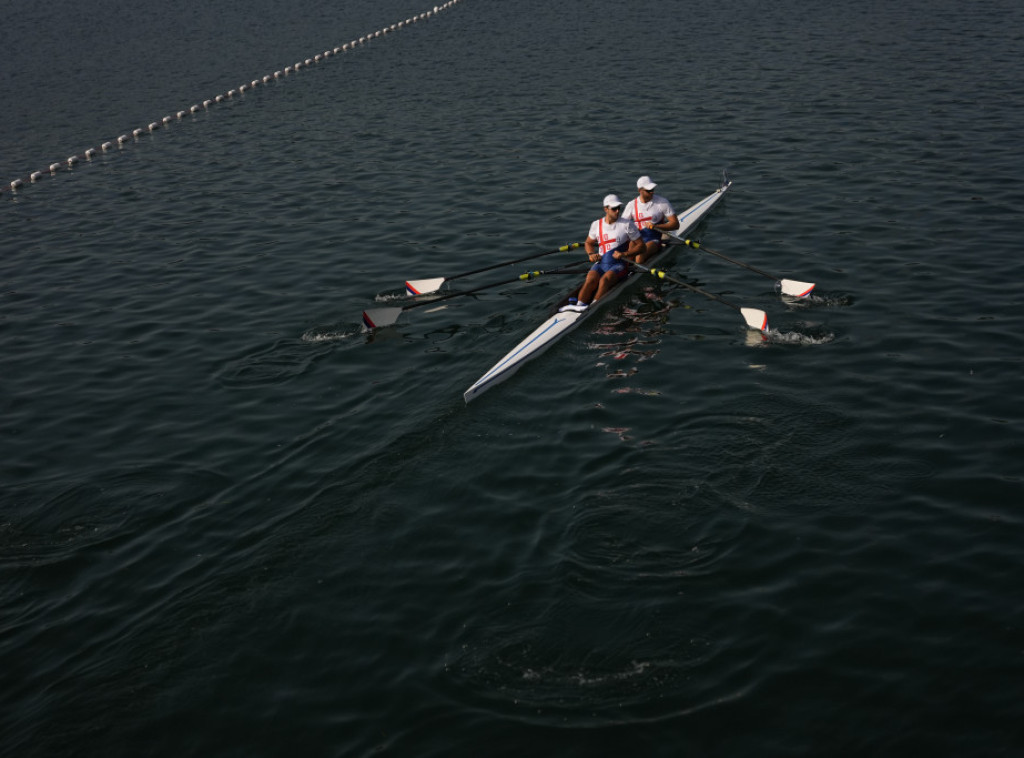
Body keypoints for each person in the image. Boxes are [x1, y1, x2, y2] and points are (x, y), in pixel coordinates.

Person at [560, 194, 642, 313]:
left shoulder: (627, 224)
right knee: (590, 279)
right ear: (606, 209)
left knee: (604, 280)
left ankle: (593, 306)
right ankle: (579, 305)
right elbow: (588, 243)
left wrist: (625, 254)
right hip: (601, 262)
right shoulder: (596, 225)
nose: (617, 211)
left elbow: (641, 246)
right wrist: (591, 254)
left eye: (619, 208)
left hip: (620, 264)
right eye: (614, 208)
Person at [620, 175, 679, 263]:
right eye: (649, 190)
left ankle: (637, 269)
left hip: (654, 238)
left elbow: (675, 224)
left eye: (653, 189)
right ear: (640, 190)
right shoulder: (631, 205)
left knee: (640, 254)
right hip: (637, 238)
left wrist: (656, 226)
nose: (652, 192)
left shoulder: (662, 202)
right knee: (629, 249)